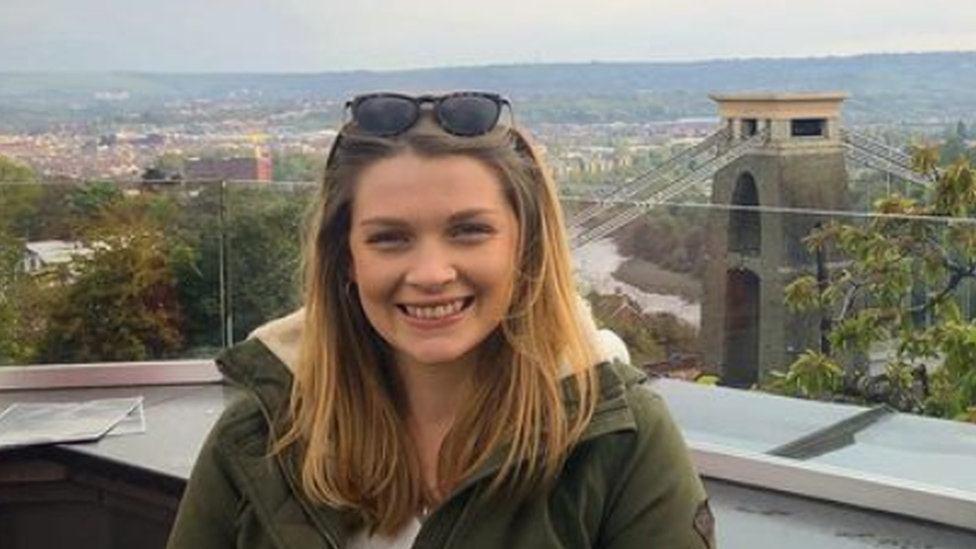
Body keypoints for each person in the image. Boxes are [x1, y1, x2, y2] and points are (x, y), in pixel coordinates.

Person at [166, 91, 715, 549]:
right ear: (348, 261)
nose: (430, 273)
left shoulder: (619, 440)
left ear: (524, 250)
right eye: (389, 238)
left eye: (469, 231)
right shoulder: (261, 435)